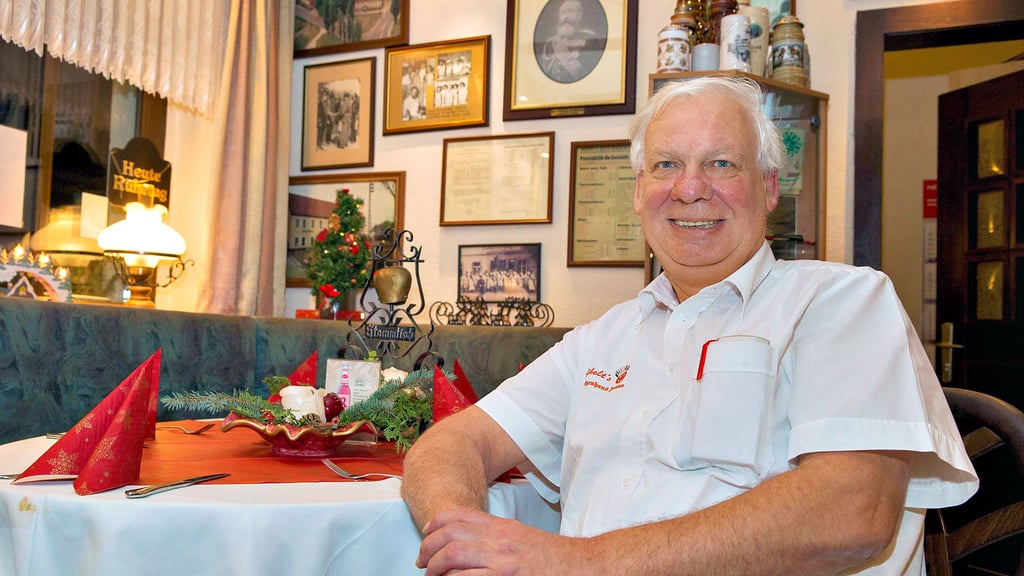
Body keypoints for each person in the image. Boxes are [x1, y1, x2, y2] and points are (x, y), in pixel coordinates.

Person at [401, 75, 978, 575]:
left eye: (721, 163)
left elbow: (854, 512)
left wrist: (574, 562)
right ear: (639, 191)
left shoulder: (844, 301)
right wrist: (467, 540)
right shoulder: (603, 337)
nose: (689, 188)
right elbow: (454, 442)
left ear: (770, 186)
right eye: (666, 165)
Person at [539, 0, 596, 83]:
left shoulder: (589, 39)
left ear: (579, 15)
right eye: (563, 12)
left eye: (570, 11)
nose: (566, 16)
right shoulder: (550, 42)